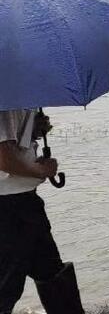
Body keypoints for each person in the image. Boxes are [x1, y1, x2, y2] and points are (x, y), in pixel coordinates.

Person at [0, 110, 84, 312]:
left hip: (24, 200)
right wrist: (41, 171)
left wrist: (32, 129)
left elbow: (10, 145)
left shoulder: (18, 101)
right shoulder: (6, 102)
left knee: (49, 269)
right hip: (9, 205)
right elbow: (4, 159)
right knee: (7, 282)